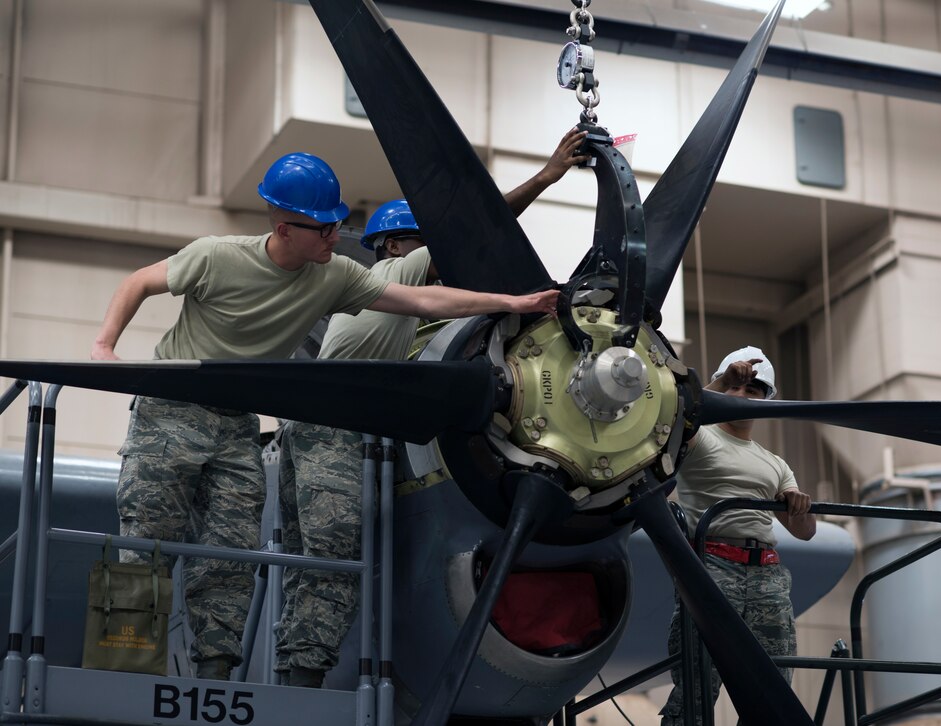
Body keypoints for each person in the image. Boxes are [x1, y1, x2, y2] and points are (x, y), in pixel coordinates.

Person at [92, 151, 560, 680]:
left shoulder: (333, 276)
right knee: (145, 537)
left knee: (230, 555)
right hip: (171, 409)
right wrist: (106, 348)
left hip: (240, 420)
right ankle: (120, 669)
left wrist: (513, 303)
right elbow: (139, 281)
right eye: (324, 229)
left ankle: (215, 680)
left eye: (337, 227)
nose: (336, 239)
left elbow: (425, 302)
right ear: (284, 227)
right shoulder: (215, 256)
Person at [275, 129, 589, 687]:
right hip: (337, 431)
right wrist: (545, 177)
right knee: (334, 551)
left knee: (311, 558)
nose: (443, 263)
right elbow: (467, 234)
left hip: (320, 426)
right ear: (395, 247)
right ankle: (301, 681)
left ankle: (295, 674)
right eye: (423, 245)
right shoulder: (392, 277)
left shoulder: (373, 301)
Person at [659, 345, 816, 725]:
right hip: (713, 568)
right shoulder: (699, 438)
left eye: (754, 390)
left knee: (773, 685)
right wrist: (718, 383)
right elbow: (677, 411)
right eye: (737, 387)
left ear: (768, 400)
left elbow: (805, 532)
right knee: (697, 686)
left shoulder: (775, 462)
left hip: (768, 576)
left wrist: (798, 504)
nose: (743, 396)